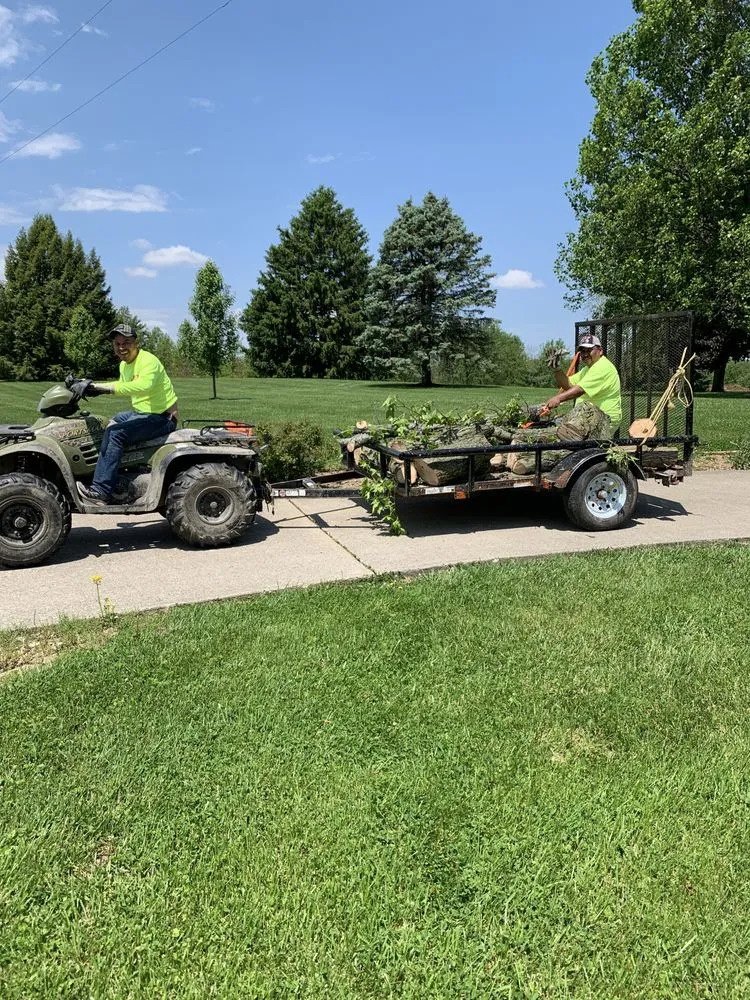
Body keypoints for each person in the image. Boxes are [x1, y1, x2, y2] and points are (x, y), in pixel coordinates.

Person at [75, 324, 178, 505]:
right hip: (141, 413)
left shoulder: (148, 361)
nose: (122, 347)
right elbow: (123, 386)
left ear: (136, 343)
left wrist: (101, 388)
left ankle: (101, 490)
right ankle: (119, 467)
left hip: (163, 418)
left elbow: (142, 386)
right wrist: (88, 386)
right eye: (117, 343)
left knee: (115, 433)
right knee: (109, 421)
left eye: (127, 342)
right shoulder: (124, 365)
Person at [543, 332, 622, 440]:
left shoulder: (603, 367)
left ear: (600, 351)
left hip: (603, 420)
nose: (585, 354)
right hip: (587, 418)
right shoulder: (588, 369)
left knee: (560, 437)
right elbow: (569, 386)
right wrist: (556, 369)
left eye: (589, 350)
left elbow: (579, 390)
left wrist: (558, 398)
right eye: (582, 351)